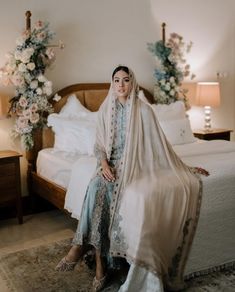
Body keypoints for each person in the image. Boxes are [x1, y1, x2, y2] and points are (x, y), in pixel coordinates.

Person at [56, 65, 209, 292]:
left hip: (136, 165)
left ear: (132, 83)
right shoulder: (106, 109)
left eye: (125, 80)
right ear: (112, 83)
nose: (121, 85)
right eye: (116, 80)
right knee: (98, 183)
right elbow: (99, 146)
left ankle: (84, 252)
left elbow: (161, 145)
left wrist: (185, 168)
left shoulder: (144, 111)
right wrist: (104, 163)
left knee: (102, 189)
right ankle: (99, 263)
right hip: (111, 165)